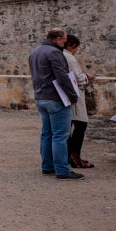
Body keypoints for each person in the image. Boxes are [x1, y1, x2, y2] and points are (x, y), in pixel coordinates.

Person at [28, 27, 83, 180]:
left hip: (41, 97)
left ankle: (47, 166)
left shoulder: (35, 52)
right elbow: (62, 77)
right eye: (64, 41)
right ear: (57, 39)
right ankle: (62, 170)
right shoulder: (54, 53)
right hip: (56, 99)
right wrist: (73, 96)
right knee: (60, 136)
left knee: (47, 134)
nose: (64, 44)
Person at [63, 35, 95, 169]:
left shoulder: (61, 55)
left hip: (66, 95)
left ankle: (68, 156)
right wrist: (88, 76)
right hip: (74, 94)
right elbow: (78, 77)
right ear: (71, 45)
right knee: (80, 124)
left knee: (67, 127)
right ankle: (74, 156)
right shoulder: (69, 58)